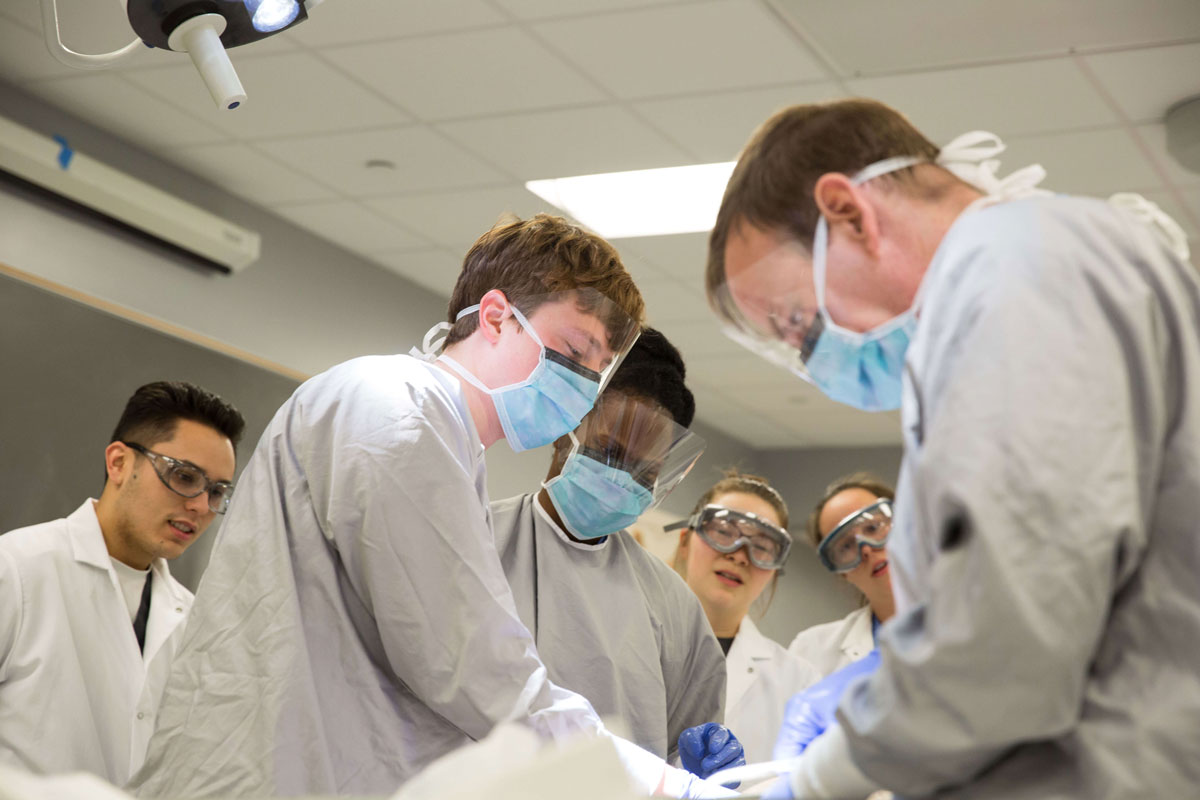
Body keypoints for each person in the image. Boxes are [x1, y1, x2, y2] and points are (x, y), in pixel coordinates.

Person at [133, 214, 731, 799]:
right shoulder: (398, 412)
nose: (580, 388)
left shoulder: (439, 437)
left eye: (596, 372)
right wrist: (659, 783)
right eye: (574, 353)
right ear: (496, 317)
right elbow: (473, 665)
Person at [706, 98, 1200, 798]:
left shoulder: (1017, 277)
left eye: (797, 324)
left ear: (848, 213)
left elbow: (1007, 645)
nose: (809, 362)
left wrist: (823, 778)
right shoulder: (1023, 272)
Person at [490, 327, 743, 778]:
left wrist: (700, 767)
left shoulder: (673, 607)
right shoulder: (478, 542)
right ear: (563, 429)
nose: (621, 479)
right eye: (608, 451)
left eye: (645, 473)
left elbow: (680, 763)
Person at [0, 381, 244, 785]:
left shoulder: (189, 619)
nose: (201, 505)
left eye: (216, 491)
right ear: (118, 463)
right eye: (184, 476)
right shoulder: (18, 568)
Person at [668, 471, 820, 765]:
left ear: (774, 570)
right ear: (685, 541)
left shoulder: (799, 682)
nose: (739, 556)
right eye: (724, 533)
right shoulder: (629, 640)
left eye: (762, 547)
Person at [787, 473, 896, 678]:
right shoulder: (811, 652)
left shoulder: (973, 619)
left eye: (873, 528)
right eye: (846, 546)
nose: (866, 549)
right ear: (842, 572)